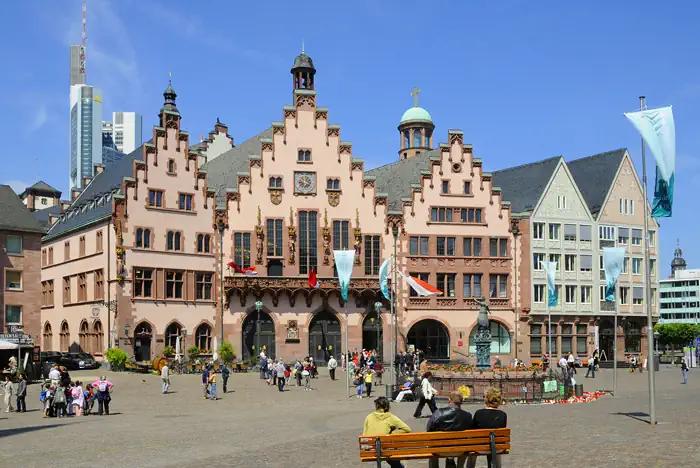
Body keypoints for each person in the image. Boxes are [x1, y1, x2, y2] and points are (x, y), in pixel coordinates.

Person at [426, 391, 473, 468]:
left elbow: (429, 430)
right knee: (466, 444)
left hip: (440, 449)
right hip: (460, 450)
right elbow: (471, 434)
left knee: (431, 445)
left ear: (449, 400)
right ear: (461, 402)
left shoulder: (439, 413)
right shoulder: (467, 416)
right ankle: (460, 466)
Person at [363, 396, 411, 468]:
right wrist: (391, 434)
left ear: (377, 406)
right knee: (392, 450)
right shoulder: (390, 417)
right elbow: (407, 429)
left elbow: (364, 435)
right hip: (385, 450)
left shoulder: (369, 417)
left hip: (371, 450)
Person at [467, 388, 507, 468]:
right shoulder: (503, 415)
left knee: (472, 447)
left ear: (487, 399)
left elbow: (472, 430)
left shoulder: (479, 413)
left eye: (484, 396)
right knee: (495, 444)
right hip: (498, 447)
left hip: (480, 447)